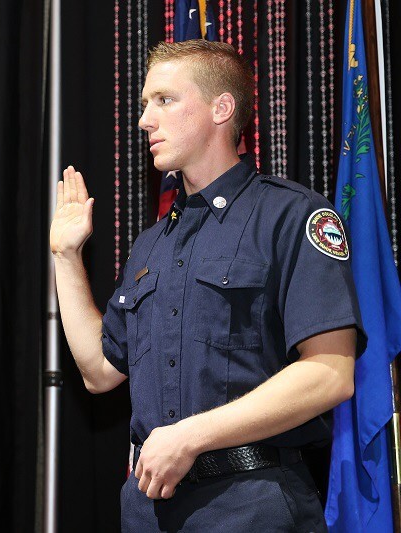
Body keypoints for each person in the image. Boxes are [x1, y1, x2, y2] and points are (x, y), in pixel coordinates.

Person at [50, 40, 365, 531]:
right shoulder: (152, 244)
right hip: (148, 512)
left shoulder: (290, 215)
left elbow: (330, 373)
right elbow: (98, 372)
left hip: (253, 505)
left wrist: (190, 437)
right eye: (144, 104)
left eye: (164, 100)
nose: (144, 121)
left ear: (222, 108)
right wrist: (66, 256)